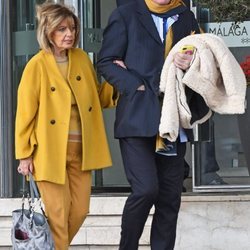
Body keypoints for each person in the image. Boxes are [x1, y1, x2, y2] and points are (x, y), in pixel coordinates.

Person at [97, 0, 209, 249]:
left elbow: (205, 58)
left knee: (169, 198)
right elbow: (106, 61)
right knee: (146, 189)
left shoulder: (185, 17)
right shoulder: (125, 14)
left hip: (173, 121)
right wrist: (134, 85)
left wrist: (190, 62)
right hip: (137, 119)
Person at [15, 3, 116, 249]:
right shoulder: (36, 65)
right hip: (49, 153)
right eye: (61, 29)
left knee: (80, 211)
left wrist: (117, 77)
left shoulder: (81, 59)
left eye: (71, 28)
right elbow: (25, 114)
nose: (69, 34)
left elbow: (98, 97)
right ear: (48, 32)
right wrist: (24, 155)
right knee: (58, 218)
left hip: (82, 151)